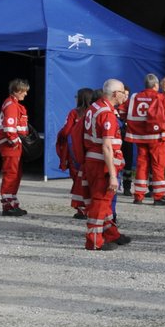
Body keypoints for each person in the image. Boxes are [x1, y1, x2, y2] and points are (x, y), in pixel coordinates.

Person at [82, 80, 132, 250]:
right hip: (101, 164)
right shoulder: (107, 114)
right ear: (114, 94)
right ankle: (94, 240)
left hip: (94, 161)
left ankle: (110, 232)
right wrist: (112, 175)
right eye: (122, 92)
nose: (124, 95)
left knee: (105, 200)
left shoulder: (95, 107)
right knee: (100, 200)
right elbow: (107, 146)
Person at [126, 74, 165, 205]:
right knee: (158, 165)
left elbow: (124, 112)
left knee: (142, 165)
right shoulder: (160, 97)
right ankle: (158, 196)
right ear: (156, 85)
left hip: (139, 138)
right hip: (156, 137)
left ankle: (138, 196)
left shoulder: (135, 97)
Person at [56, 87, 94, 218]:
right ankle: (91, 207)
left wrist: (60, 135)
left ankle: (82, 208)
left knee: (77, 179)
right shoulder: (94, 112)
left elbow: (66, 131)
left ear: (81, 98)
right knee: (90, 179)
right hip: (91, 151)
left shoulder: (74, 113)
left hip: (75, 152)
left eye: (76, 96)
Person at [0, 78, 31, 216]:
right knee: (11, 174)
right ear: (17, 90)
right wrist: (16, 143)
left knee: (16, 174)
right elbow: (9, 130)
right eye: (24, 91)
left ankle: (12, 203)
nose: (26, 94)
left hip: (12, 145)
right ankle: (8, 205)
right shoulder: (11, 105)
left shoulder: (13, 104)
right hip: (10, 145)